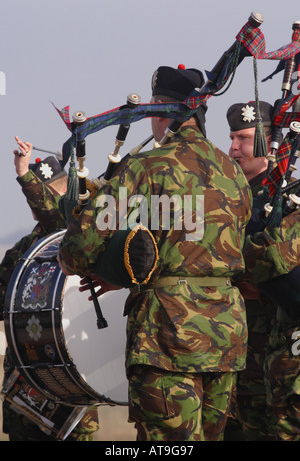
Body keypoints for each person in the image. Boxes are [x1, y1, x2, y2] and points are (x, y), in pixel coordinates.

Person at [57, 65, 252, 441]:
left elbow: (79, 251)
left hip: (168, 336)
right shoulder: (233, 171)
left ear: (160, 111)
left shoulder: (146, 167)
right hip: (226, 336)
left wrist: (99, 258)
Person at [0, 137, 99, 441]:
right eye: (40, 192)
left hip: (69, 386)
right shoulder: (21, 251)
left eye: (51, 191)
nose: (42, 199)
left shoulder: (76, 239)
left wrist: (23, 175)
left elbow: (57, 216)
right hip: (25, 386)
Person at [225, 101, 300, 442]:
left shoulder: (292, 196)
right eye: (231, 138)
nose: (233, 148)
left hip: (276, 348)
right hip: (225, 350)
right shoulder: (222, 198)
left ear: (267, 143)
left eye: (242, 138)